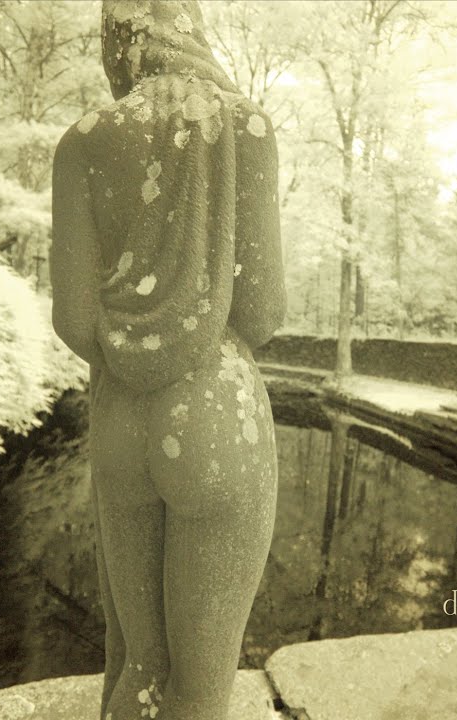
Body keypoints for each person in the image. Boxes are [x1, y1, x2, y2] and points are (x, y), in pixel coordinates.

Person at [49, 2, 286, 719]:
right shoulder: (247, 128)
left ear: (116, 40)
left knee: (141, 661)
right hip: (217, 413)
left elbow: (74, 322)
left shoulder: (83, 141)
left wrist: (132, 348)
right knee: (201, 684)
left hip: (121, 417)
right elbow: (262, 313)